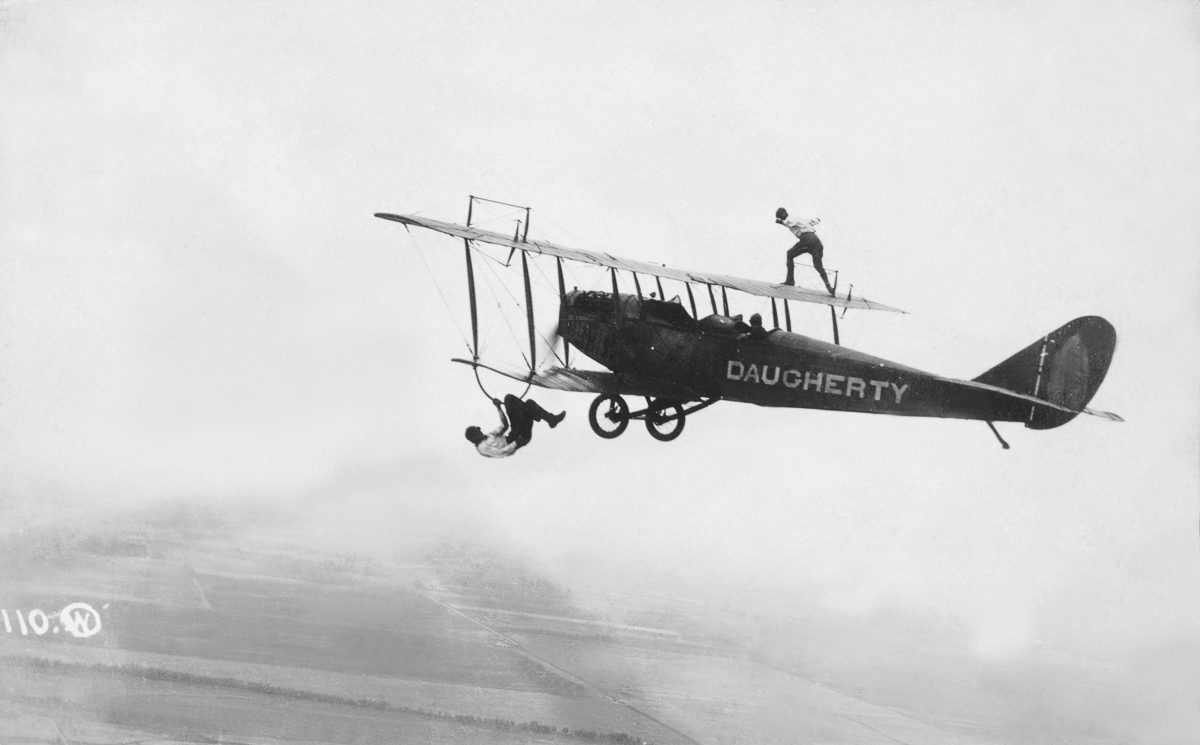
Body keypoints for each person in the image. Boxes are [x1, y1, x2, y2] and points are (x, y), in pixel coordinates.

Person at [464, 394, 565, 458]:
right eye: (478, 432)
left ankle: (547, 418)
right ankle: (538, 415)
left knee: (510, 399)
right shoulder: (482, 447)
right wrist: (516, 443)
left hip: (514, 434)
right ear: (474, 437)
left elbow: (504, 426)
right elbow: (501, 453)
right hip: (520, 438)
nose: (481, 432)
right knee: (527, 408)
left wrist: (498, 407)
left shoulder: (488, 436)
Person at [776, 207, 835, 295]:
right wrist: (817, 219)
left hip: (807, 240)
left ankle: (790, 281)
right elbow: (811, 222)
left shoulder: (790, 219)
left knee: (790, 254)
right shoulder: (800, 219)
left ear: (783, 215)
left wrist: (781, 222)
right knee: (818, 266)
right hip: (817, 242)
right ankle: (829, 287)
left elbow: (789, 223)